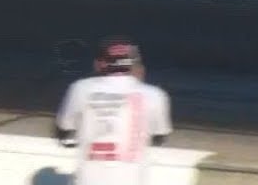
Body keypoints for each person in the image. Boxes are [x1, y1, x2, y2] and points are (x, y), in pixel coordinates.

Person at [54, 37, 172, 185]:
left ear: (99, 64)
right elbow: (160, 135)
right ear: (135, 65)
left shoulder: (81, 88)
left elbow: (65, 126)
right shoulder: (155, 95)